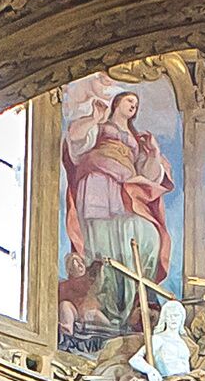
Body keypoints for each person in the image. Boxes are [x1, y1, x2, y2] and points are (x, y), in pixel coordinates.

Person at [63, 82, 178, 343]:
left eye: (135, 105)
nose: (133, 107)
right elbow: (77, 143)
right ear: (117, 103)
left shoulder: (136, 139)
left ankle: (134, 297)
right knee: (102, 237)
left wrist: (154, 154)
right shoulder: (102, 127)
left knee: (148, 234)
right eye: (129, 101)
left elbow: (149, 174)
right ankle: (104, 302)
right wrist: (94, 118)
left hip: (126, 185)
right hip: (100, 181)